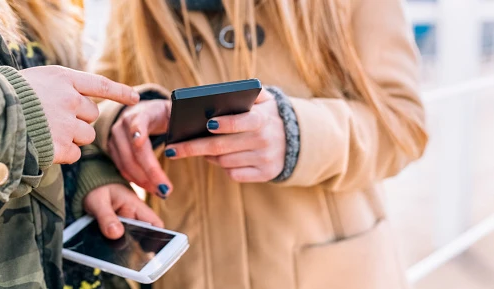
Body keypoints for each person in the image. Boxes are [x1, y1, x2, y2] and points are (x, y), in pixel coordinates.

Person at [94, 0, 428, 288]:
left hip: (328, 271)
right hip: (186, 269)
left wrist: (298, 134)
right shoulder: (134, 6)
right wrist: (127, 117)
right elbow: (99, 97)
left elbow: (402, 122)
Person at [0, 1, 162, 288]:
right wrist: (15, 116)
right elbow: (33, 111)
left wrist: (89, 174)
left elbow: (62, 110)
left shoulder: (46, 9)